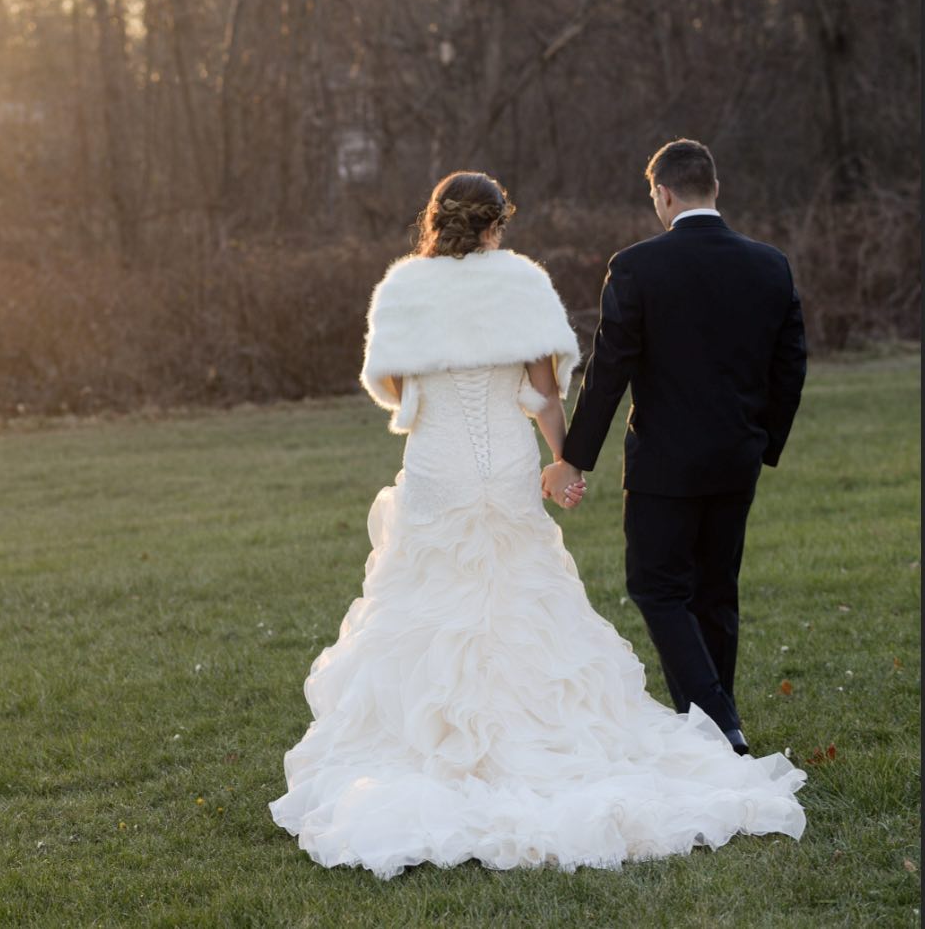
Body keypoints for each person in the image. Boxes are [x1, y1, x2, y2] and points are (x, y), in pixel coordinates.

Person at [268, 170, 805, 881]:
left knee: (430, 599)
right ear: (497, 223)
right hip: (504, 467)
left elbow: (392, 388)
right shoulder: (520, 282)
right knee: (519, 595)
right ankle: (554, 737)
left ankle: (433, 741)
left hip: (436, 467)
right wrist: (563, 460)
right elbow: (547, 394)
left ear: (433, 220)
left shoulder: (401, 288)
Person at [543, 138, 808, 757]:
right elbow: (790, 363)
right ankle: (713, 727)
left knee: (657, 586)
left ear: (662, 194)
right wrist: (764, 440)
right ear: (714, 188)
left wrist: (572, 458)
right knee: (716, 590)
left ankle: (718, 723)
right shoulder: (770, 264)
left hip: (664, 460)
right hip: (737, 456)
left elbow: (609, 371)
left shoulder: (637, 267)